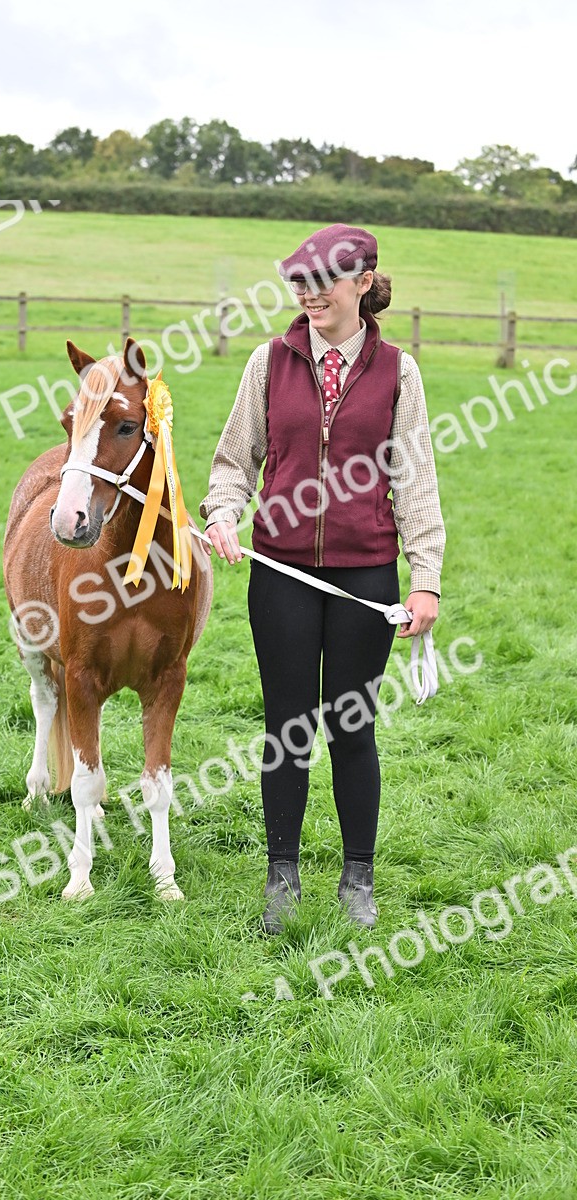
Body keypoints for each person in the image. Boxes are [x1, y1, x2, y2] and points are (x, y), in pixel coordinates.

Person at [200, 223, 445, 934]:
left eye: (325, 281)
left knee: (352, 725)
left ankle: (357, 879)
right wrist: (223, 515)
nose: (308, 294)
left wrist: (424, 578)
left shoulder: (398, 371)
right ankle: (282, 877)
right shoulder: (267, 362)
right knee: (287, 726)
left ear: (364, 283)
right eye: (298, 282)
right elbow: (234, 462)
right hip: (280, 573)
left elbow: (416, 480)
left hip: (365, 577)